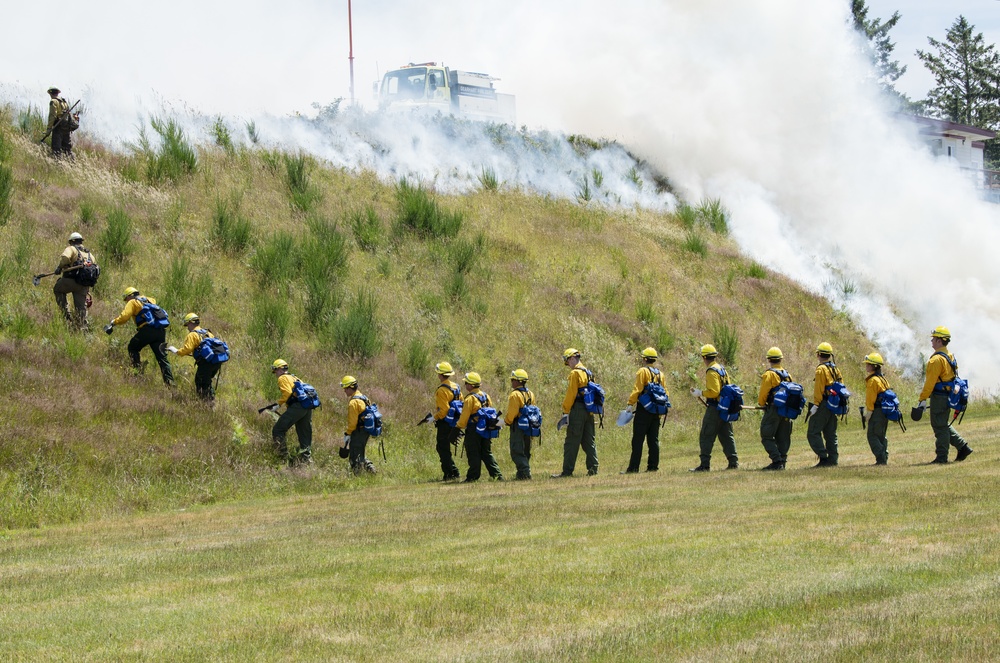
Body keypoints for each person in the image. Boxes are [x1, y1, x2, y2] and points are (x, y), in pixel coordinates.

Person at [917, 326, 974, 464]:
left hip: (939, 396)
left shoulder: (935, 360)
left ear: (939, 340)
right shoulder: (950, 356)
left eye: (934, 338)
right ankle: (963, 447)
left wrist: (922, 399)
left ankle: (942, 457)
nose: (931, 341)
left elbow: (930, 382)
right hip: (947, 395)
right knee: (943, 423)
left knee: (939, 426)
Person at [105, 287, 174, 386]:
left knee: (132, 347)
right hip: (160, 331)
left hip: (147, 331)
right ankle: (170, 383)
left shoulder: (132, 302)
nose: (126, 302)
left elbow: (125, 317)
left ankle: (136, 374)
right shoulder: (150, 300)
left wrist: (114, 322)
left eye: (126, 299)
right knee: (162, 358)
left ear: (129, 295)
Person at [689, 344, 739, 472]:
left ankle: (704, 465)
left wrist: (701, 393)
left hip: (715, 408)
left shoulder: (711, 371)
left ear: (704, 357)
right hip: (725, 407)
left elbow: (714, 392)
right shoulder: (721, 369)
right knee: (727, 435)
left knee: (706, 435)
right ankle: (733, 462)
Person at [552, 348, 598, 478]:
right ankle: (593, 469)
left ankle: (567, 471)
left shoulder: (575, 374)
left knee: (572, 441)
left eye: (568, 362)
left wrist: (565, 412)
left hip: (577, 410)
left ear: (572, 358)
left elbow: (571, 394)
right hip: (589, 410)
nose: (569, 366)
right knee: (589, 441)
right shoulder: (589, 373)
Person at [622, 347, 667, 473]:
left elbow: (637, 389)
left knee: (638, 440)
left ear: (645, 359)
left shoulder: (642, 371)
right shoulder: (660, 374)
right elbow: (665, 392)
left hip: (644, 410)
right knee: (653, 440)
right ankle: (653, 467)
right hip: (657, 411)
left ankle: (633, 468)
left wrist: (630, 404)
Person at [456, 372, 504, 482]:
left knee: (473, 452)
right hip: (486, 428)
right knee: (486, 452)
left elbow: (464, 417)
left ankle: (473, 477)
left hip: (474, 429)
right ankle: (497, 475)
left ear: (471, 385)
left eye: (466, 383)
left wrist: (457, 427)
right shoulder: (486, 396)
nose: (465, 385)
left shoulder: (470, 399)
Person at [167, 313, 221, 400]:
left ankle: (207, 404)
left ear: (191, 323)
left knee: (201, 382)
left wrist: (176, 351)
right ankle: (209, 400)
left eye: (187, 324)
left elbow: (187, 349)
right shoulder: (208, 332)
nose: (187, 327)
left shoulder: (192, 335)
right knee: (207, 381)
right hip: (216, 362)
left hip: (205, 363)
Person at [270, 359, 313, 465]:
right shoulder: (295, 377)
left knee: (278, 430)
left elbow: (288, 393)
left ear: (279, 369)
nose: (275, 374)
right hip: (307, 407)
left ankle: (282, 458)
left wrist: (278, 404)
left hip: (297, 407)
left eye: (275, 371)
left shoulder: (282, 378)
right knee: (304, 433)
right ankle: (306, 459)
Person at [806, 342, 842, 467]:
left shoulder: (821, 369)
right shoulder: (835, 368)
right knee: (830, 433)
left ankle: (824, 457)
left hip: (823, 404)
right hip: (834, 405)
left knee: (813, 432)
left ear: (819, 354)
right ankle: (833, 459)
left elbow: (819, 389)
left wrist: (816, 405)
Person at [758, 346, 793, 470]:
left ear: (769, 360)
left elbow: (763, 393)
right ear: (780, 360)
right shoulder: (787, 374)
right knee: (783, 436)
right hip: (787, 410)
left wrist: (762, 404)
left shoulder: (769, 374)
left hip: (774, 409)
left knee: (766, 435)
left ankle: (777, 461)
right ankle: (782, 461)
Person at [52, 231, 95, 330]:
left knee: (58, 289)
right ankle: (82, 327)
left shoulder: (71, 249)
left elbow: (65, 258)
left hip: (70, 280)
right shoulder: (89, 254)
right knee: (81, 307)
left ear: (71, 242)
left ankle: (66, 315)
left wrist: (59, 267)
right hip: (83, 285)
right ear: (81, 241)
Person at [431, 361, 461, 481]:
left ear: (439, 374)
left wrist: (434, 418)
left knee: (442, 448)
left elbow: (444, 410)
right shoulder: (456, 387)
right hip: (455, 422)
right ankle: (453, 471)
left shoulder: (441, 390)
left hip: (444, 423)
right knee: (443, 447)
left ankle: (449, 474)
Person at [505, 368, 536, 480]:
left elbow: (512, 412)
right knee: (526, 449)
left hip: (517, 426)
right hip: (528, 426)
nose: (512, 381)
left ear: (518, 381)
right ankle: (521, 474)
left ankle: (526, 472)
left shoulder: (515, 395)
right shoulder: (530, 393)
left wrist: (507, 421)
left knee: (516, 450)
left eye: (513, 379)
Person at [342, 376, 377, 475]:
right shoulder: (364, 397)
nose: (344, 391)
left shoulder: (353, 403)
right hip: (366, 431)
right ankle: (372, 471)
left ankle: (358, 476)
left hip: (358, 432)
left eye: (345, 388)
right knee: (360, 453)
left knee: (354, 456)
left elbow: (352, 424)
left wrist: (347, 433)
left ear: (350, 388)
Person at [862, 353, 891, 466]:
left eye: (868, 364)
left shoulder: (873, 380)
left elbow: (871, 399)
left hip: (877, 411)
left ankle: (881, 458)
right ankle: (883, 456)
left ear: (873, 366)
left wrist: (869, 413)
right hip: (884, 411)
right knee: (880, 435)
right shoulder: (882, 378)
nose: (866, 366)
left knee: (872, 435)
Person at [46, 87, 74, 158]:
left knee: (56, 149)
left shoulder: (53, 101)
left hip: (58, 127)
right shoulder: (64, 101)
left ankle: (57, 163)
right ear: (57, 93)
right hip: (66, 127)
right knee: (67, 149)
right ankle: (71, 164)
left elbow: (52, 116)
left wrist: (49, 129)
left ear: (50, 93)